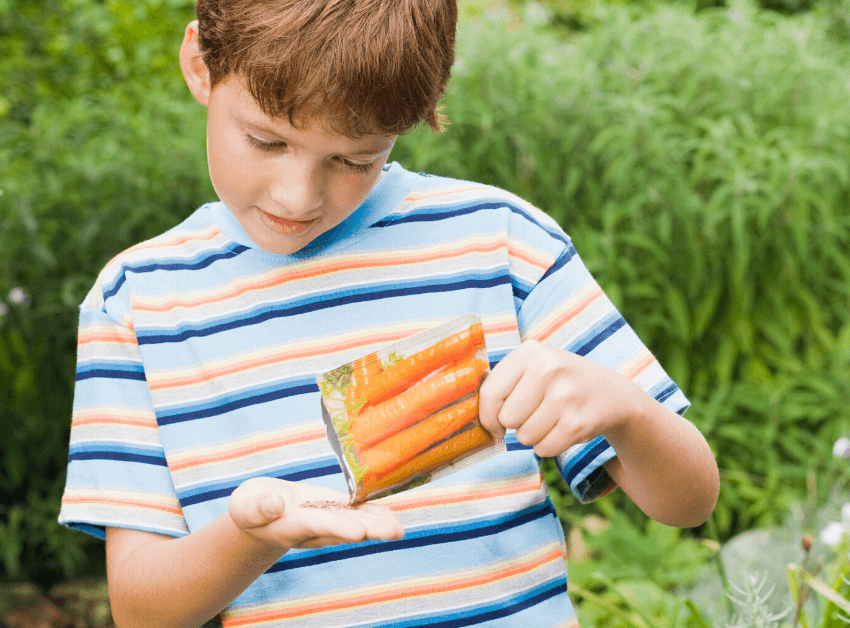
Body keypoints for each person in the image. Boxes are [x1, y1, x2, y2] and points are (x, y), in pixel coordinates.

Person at [58, 0, 719, 626]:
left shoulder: (499, 242)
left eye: (355, 159)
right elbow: (141, 610)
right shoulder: (136, 301)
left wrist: (625, 409)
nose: (299, 196)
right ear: (201, 66)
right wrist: (251, 534)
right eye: (266, 142)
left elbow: (689, 500)